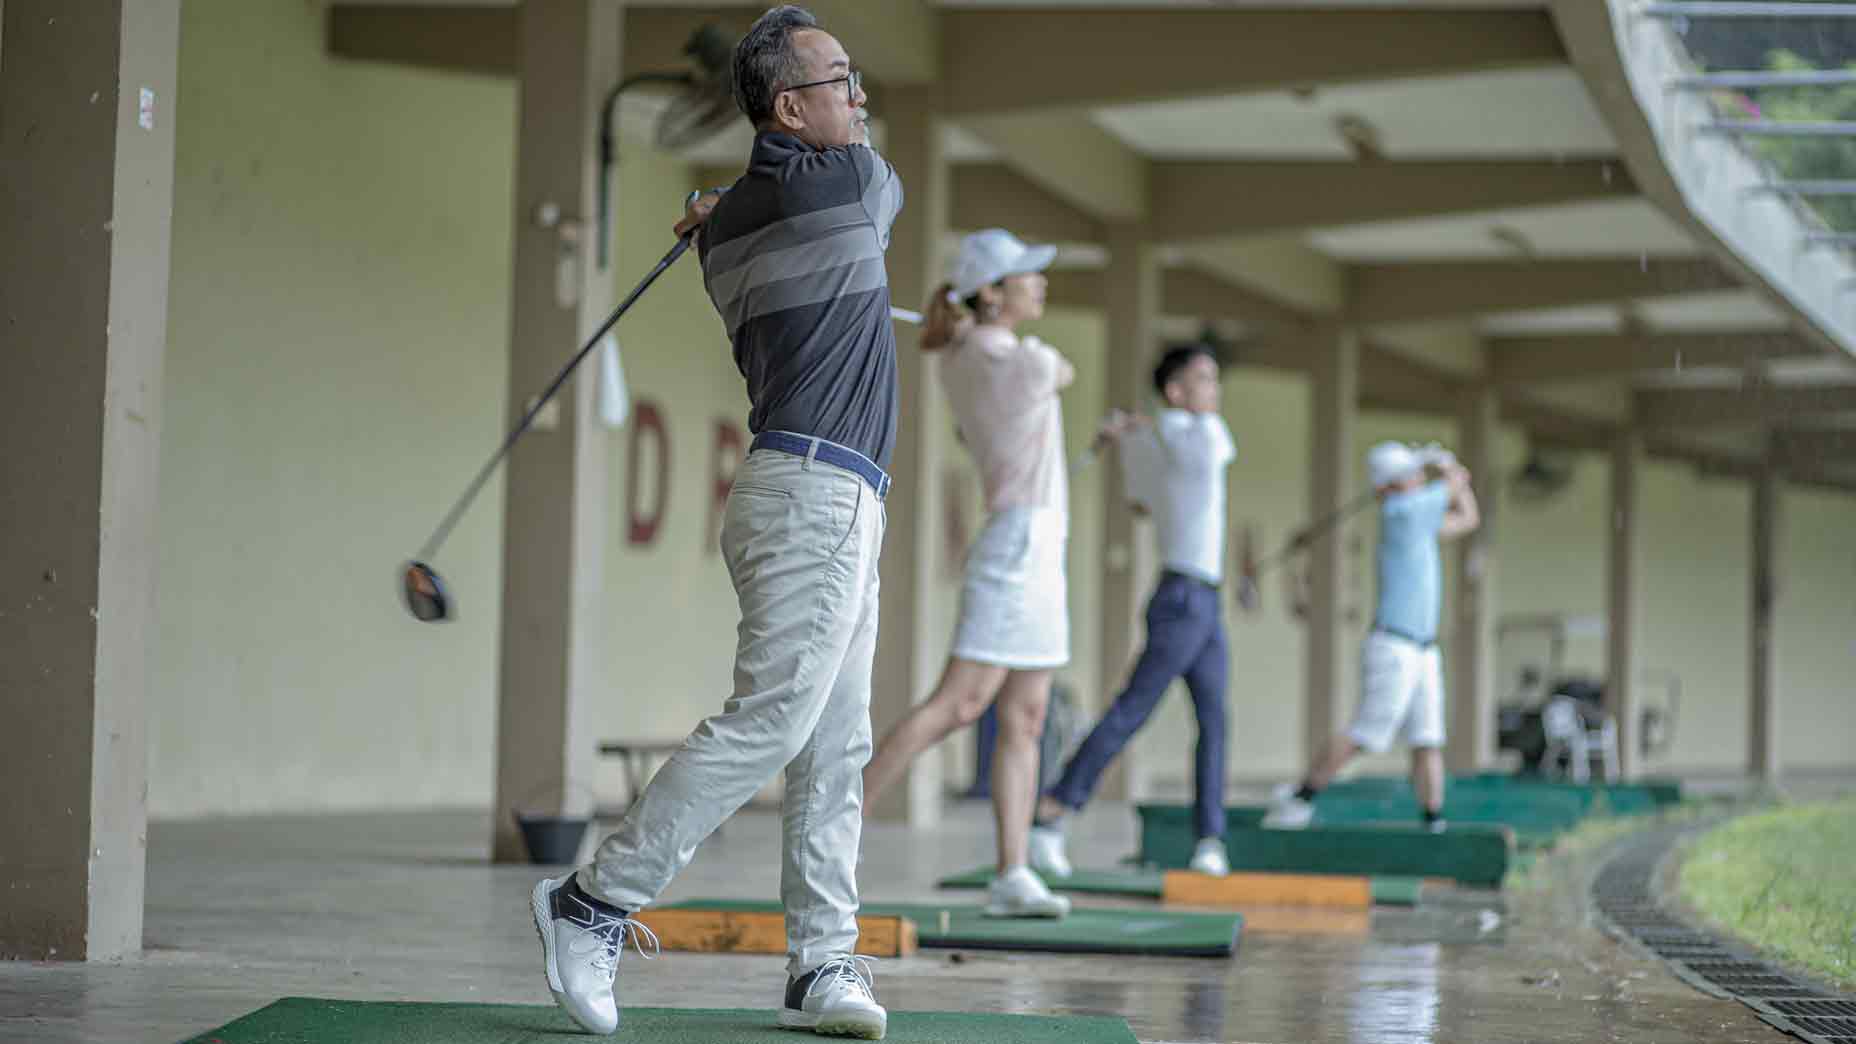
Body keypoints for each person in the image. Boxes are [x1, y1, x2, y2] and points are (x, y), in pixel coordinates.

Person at [530, 7, 898, 1038]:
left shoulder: (733, 220)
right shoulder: (848, 183)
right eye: (840, 80)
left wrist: (718, 202)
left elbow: (757, 197)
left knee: (836, 743)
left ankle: (823, 963)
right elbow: (884, 181)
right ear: (790, 106)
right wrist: (725, 197)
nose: (858, 97)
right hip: (815, 492)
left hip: (835, 494)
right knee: (777, 720)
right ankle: (592, 899)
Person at [860, 228, 1089, 919]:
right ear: (991, 293)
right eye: (1026, 275)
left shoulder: (969, 350)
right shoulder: (1011, 358)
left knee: (1027, 716)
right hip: (1017, 543)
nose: (1040, 284)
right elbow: (1063, 373)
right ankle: (837, 825)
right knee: (958, 706)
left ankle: (1012, 872)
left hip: (1041, 544)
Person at [1028, 345, 1238, 879]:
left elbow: (1142, 504)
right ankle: (1054, 812)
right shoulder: (1198, 433)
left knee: (1214, 721)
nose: (1214, 390)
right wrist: (1144, 431)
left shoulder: (1159, 436)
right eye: (1203, 379)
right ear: (1176, 391)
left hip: (1203, 598)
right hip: (1184, 598)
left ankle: (1210, 840)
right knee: (1134, 709)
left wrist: (1134, 433)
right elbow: (1181, 464)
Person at [1264, 441, 1481, 833]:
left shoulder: (1418, 515)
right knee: (1367, 734)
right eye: (1412, 473)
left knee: (1428, 738)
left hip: (1423, 649)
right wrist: (1446, 462)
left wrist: (1444, 470)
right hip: (1393, 648)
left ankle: (1433, 820)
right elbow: (1456, 486)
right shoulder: (1403, 513)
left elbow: (1468, 517)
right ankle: (1300, 798)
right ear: (1395, 484)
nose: (1418, 477)